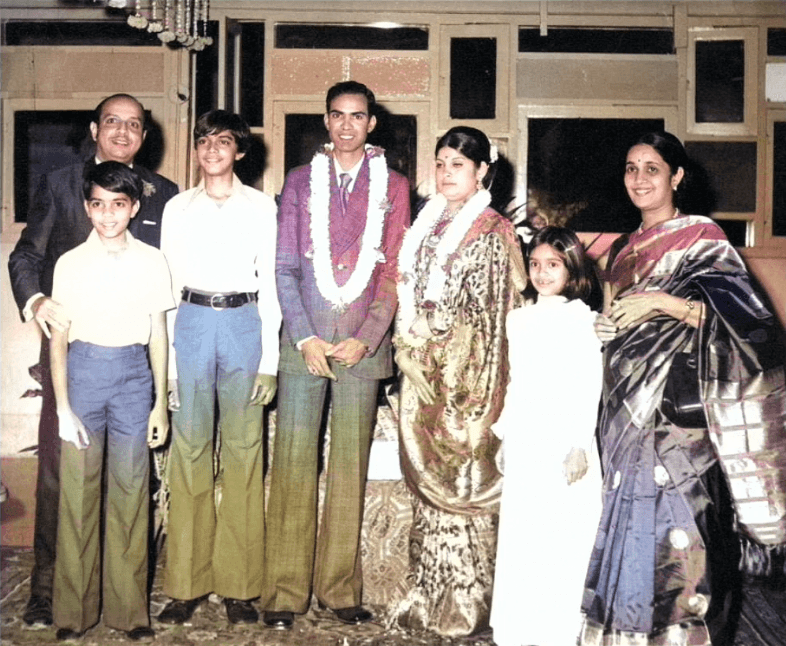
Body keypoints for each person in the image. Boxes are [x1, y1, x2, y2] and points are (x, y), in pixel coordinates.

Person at [584, 131, 786, 645]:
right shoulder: (625, 249)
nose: (639, 179)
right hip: (625, 411)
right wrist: (607, 328)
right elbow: (620, 316)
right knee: (629, 525)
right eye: (631, 168)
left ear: (676, 176)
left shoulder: (703, 238)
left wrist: (664, 303)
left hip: (678, 416)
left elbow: (750, 326)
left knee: (684, 529)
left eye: (652, 168)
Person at [8, 93, 179, 627]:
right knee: (64, 477)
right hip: (73, 349)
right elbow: (27, 254)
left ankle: (124, 601)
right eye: (112, 122)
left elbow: (165, 291)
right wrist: (37, 301)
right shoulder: (62, 183)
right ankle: (49, 594)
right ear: (94, 128)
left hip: (133, 359)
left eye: (134, 125)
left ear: (145, 135)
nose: (123, 132)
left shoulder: (165, 195)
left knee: (129, 484)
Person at [264, 80, 410, 630]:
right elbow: (283, 267)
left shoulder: (394, 186)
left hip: (359, 345)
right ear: (325, 122)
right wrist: (304, 335)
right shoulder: (300, 182)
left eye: (358, 116)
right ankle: (283, 592)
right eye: (337, 116)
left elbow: (393, 271)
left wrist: (367, 337)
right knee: (294, 464)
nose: (347, 125)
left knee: (349, 467)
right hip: (307, 343)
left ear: (372, 123)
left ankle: (340, 590)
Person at [390, 125, 526, 636]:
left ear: (482, 172)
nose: (447, 174)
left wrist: (436, 359)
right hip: (421, 369)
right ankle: (426, 596)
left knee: (463, 478)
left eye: (459, 165)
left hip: (467, 378)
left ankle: (465, 608)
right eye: (442, 163)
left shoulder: (492, 230)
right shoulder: (426, 224)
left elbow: (486, 317)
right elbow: (411, 292)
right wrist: (407, 350)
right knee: (428, 487)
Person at [156, 109, 281, 626]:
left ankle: (240, 585)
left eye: (223, 141)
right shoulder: (177, 208)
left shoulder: (261, 207)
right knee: (188, 450)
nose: (211, 149)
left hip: (243, 323)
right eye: (204, 140)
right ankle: (185, 584)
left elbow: (271, 282)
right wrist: (165, 367)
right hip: (189, 321)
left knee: (246, 452)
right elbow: (165, 285)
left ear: (240, 151)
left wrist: (270, 361)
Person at [49, 161, 174, 642]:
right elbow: (58, 341)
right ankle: (73, 614)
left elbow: (159, 336)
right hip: (83, 376)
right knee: (79, 497)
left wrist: (160, 402)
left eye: (118, 205)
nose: (108, 215)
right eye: (98, 205)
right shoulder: (70, 263)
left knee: (130, 494)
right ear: (87, 207)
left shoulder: (151, 260)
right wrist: (62, 407)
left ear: (134, 207)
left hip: (132, 379)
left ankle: (128, 613)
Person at [489, 226, 603, 646]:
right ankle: (519, 630)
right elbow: (517, 380)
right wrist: (504, 434)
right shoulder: (518, 319)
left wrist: (578, 443)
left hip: (565, 439)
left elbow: (588, 383)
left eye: (552, 265)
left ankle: (559, 631)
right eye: (535, 264)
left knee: (563, 536)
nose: (541, 273)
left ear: (571, 270)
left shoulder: (584, 320)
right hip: (527, 436)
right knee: (524, 535)